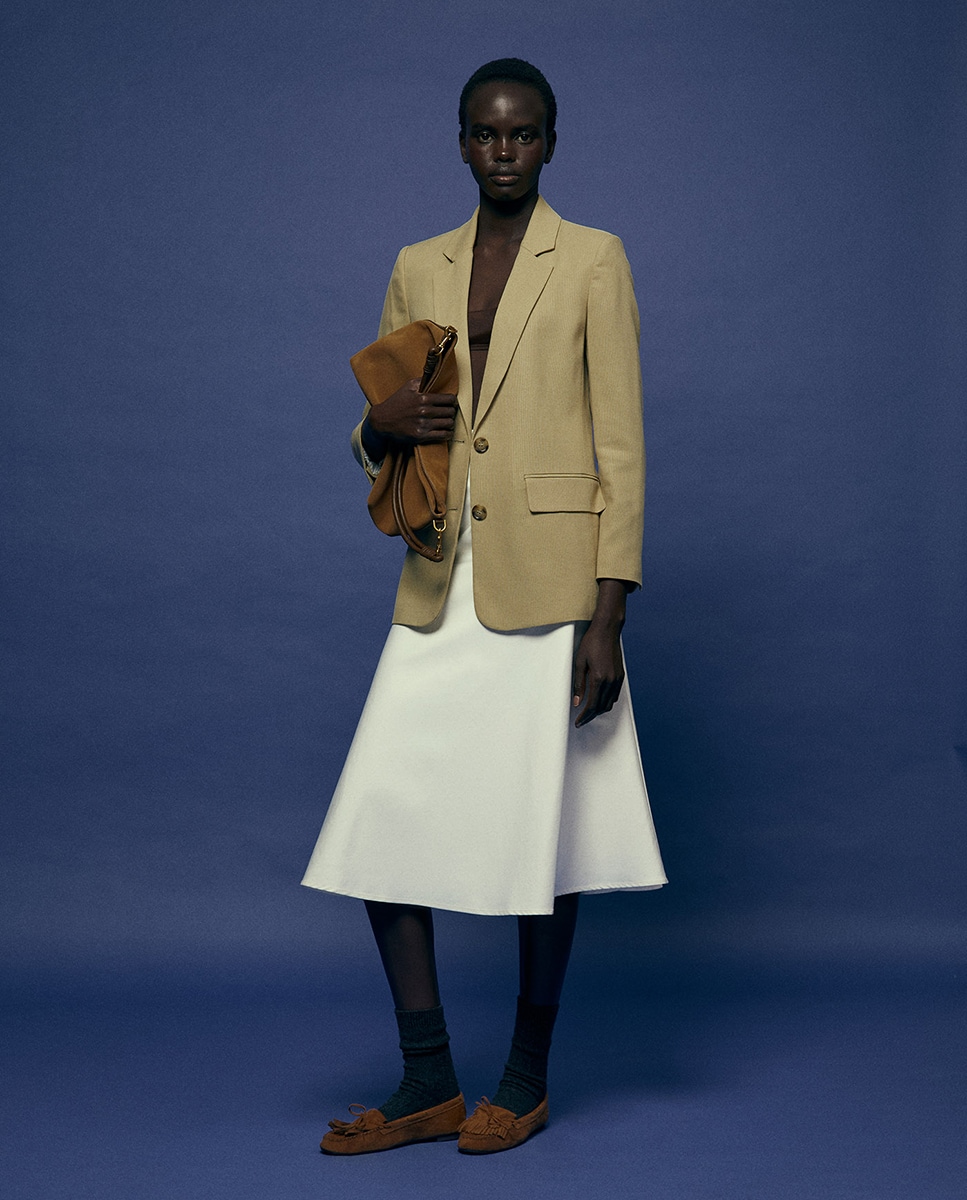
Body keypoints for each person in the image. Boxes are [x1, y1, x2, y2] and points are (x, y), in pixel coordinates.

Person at [303, 57, 666, 1156]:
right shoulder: (418, 264)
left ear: (550, 141)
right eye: (483, 133)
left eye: (522, 133)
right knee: (380, 824)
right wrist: (375, 429)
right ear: (460, 142)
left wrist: (608, 616)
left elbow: (620, 446)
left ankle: (524, 1078)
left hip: (551, 583)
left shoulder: (593, 258)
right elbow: (383, 421)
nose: (502, 151)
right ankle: (428, 1082)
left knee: (539, 838)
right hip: (438, 573)